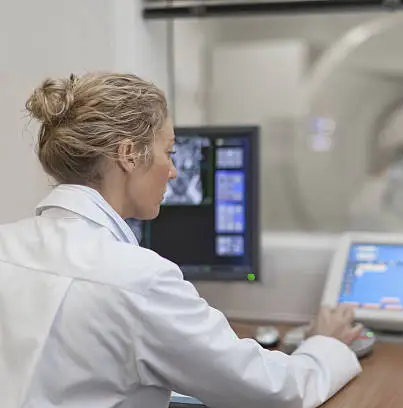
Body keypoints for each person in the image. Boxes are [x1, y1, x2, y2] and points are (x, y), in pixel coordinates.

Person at [0, 72, 363, 408]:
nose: (173, 171)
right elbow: (277, 391)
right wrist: (325, 345)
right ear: (128, 155)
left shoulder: (6, 245)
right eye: (169, 153)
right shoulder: (138, 280)